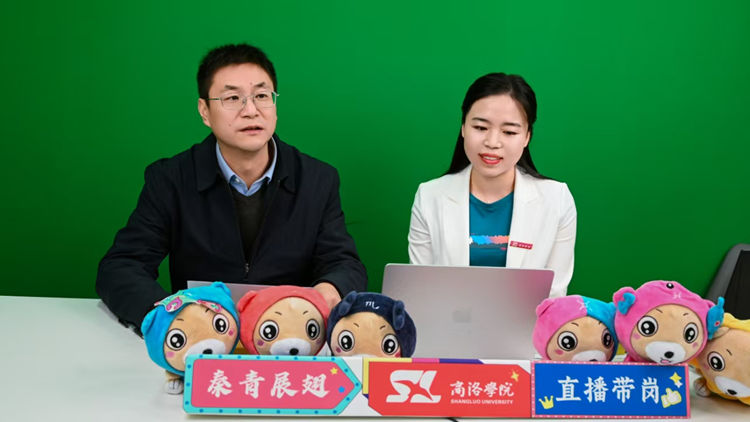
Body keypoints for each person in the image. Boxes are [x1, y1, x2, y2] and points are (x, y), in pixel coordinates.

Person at [96, 43, 367, 329]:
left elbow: (344, 264)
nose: (251, 110)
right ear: (204, 111)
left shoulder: (317, 180)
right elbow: (121, 268)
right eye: (232, 98)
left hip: (290, 336)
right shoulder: (171, 179)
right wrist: (174, 316)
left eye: (261, 96)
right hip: (201, 335)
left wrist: (329, 289)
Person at [408, 73, 576, 297]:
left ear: (527, 137)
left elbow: (554, 294)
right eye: (480, 128)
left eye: (509, 132)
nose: (492, 142)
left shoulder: (557, 199)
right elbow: (422, 291)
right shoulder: (429, 196)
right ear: (463, 127)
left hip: (528, 321)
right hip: (445, 319)